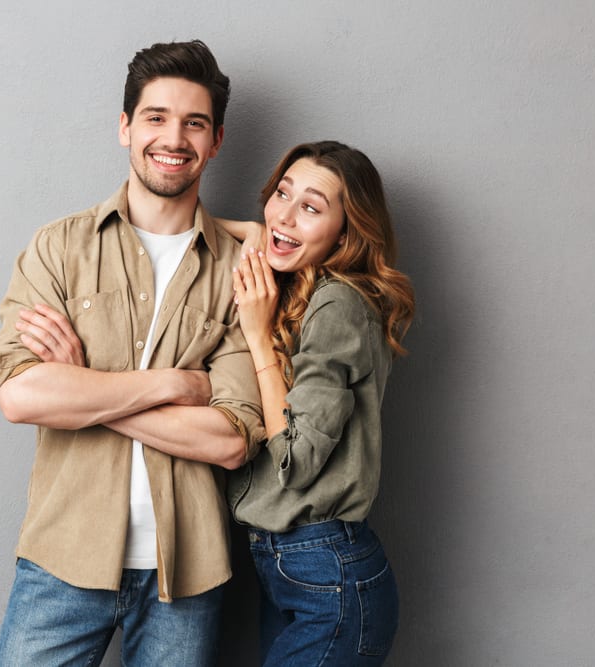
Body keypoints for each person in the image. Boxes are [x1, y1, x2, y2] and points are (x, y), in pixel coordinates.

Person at [0, 40, 265, 667]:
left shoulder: (242, 270)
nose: (175, 137)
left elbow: (230, 439)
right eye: (156, 117)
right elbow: (21, 394)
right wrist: (173, 385)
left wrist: (82, 387)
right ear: (125, 127)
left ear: (216, 141)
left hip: (187, 575)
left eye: (194, 122)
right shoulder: (59, 247)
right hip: (63, 557)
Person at [223, 140, 416, 665]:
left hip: (326, 574)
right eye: (281, 194)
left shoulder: (336, 303)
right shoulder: (308, 291)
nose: (285, 215)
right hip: (297, 567)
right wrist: (258, 231)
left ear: (346, 232)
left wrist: (258, 335)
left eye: (311, 208)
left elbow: (297, 457)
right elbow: (248, 229)